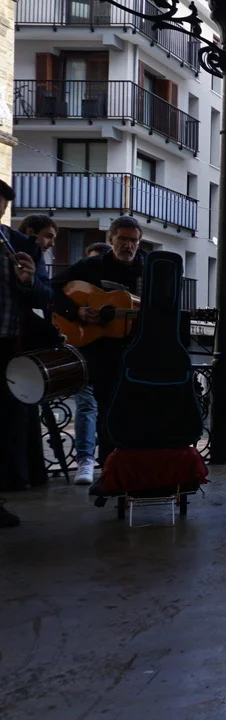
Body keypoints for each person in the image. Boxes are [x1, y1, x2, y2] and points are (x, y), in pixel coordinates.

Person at [51, 216, 148, 494]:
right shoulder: (90, 267)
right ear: (111, 239)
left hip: (137, 351)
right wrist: (76, 311)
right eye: (123, 239)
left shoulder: (147, 269)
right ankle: (109, 472)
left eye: (133, 240)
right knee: (107, 411)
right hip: (100, 350)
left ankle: (135, 472)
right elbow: (53, 288)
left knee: (136, 412)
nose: (128, 245)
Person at [0, 179, 54, 519]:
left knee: (7, 426)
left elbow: (46, 297)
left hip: (9, 348)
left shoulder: (19, 245)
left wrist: (29, 281)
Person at [63, 242, 112, 485]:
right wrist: (77, 312)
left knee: (99, 408)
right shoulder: (77, 290)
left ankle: (106, 461)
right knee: (86, 406)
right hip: (84, 353)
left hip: (108, 355)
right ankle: (85, 460)